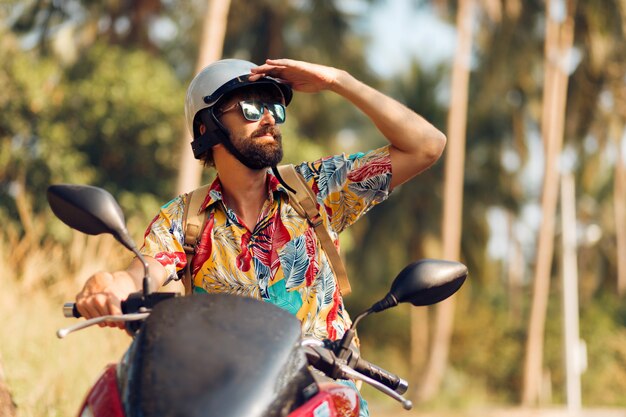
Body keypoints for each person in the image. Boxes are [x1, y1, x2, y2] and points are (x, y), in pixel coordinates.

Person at [75, 58, 446, 414]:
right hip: (230, 398)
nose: (269, 117)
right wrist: (109, 285)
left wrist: (337, 80)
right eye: (251, 108)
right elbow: (146, 269)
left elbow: (426, 145)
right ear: (208, 127)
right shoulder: (184, 219)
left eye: (274, 108)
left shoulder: (317, 190)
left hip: (319, 395)